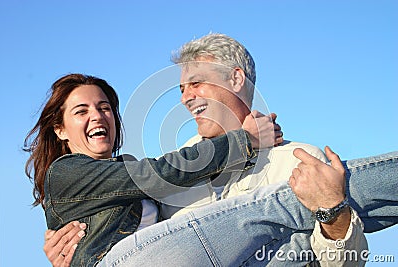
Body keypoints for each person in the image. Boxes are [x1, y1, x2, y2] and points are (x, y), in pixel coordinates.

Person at [41, 34, 380, 266]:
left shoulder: (298, 162)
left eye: (196, 83)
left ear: (235, 79)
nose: (185, 97)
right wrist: (73, 254)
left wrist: (333, 214)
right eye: (181, 88)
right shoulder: (179, 167)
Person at [24, 73, 280, 266]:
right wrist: (245, 140)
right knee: (277, 206)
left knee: (283, 249)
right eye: (81, 111)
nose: (98, 116)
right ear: (60, 130)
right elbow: (163, 173)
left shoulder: (124, 170)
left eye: (104, 108)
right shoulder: (65, 172)